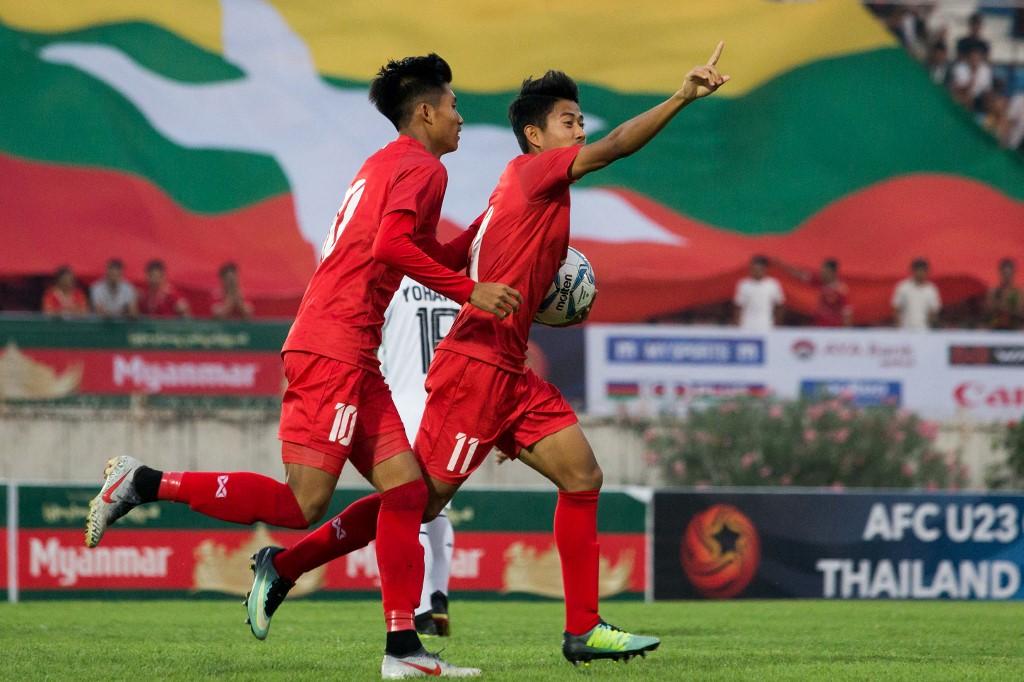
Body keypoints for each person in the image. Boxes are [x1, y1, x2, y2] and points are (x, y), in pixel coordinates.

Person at [254, 40, 731, 668]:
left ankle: (583, 630)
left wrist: (517, 281)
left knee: (582, 477)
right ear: (533, 135)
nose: (582, 130)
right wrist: (680, 97)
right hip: (475, 370)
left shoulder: (517, 191)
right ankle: (285, 565)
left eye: (581, 120)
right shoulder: (536, 173)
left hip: (511, 371)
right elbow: (615, 150)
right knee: (414, 503)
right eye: (569, 121)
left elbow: (458, 254)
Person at [85, 53, 519, 679]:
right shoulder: (422, 169)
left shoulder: (386, 164)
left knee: (408, 494)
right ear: (425, 112)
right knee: (302, 503)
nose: (459, 116)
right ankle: (145, 482)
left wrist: (488, 225)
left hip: (350, 347)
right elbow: (391, 248)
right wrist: (468, 291)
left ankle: (403, 651)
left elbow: (420, 253)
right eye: (453, 106)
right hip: (334, 345)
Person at [378, 277, 460, 637]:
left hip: (402, 407)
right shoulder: (462, 283)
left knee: (408, 511)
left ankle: (425, 608)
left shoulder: (392, 281)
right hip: (451, 411)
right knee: (437, 508)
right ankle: (437, 596)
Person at [779, 258, 852, 327]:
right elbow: (800, 275)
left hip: (833, 330)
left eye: (825, 271)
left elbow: (847, 313)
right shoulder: (820, 282)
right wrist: (781, 264)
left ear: (833, 272)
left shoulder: (841, 290)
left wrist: (845, 334)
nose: (822, 273)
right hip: (818, 327)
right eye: (822, 271)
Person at [733, 255, 784, 331]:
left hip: (766, 325)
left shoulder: (772, 284)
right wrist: (737, 323)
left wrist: (776, 323)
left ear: (764, 269)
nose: (755, 271)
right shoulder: (744, 284)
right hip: (746, 325)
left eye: (758, 269)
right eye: (753, 269)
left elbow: (780, 304)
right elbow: (738, 306)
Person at [892, 258, 941, 330]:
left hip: (924, 330)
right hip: (905, 329)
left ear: (927, 272)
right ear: (912, 271)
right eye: (918, 270)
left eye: (923, 271)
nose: (920, 273)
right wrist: (898, 326)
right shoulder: (903, 287)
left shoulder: (931, 289)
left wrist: (932, 325)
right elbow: (896, 307)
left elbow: (933, 310)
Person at [950, 45, 993, 112]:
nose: (974, 60)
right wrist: (972, 75)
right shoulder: (960, 68)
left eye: (977, 58)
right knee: (964, 98)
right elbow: (958, 87)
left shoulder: (985, 69)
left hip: (980, 97)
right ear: (968, 58)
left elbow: (987, 89)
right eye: (972, 58)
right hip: (963, 94)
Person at [986, 258, 1022, 330]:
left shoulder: (1017, 293)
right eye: (1005, 273)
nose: (1007, 277)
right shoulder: (994, 292)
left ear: (1013, 274)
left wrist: (1008, 308)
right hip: (996, 327)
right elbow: (988, 309)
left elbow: (1020, 310)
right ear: (1000, 273)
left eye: (1009, 274)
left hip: (1014, 328)